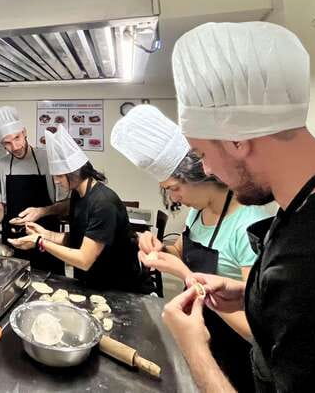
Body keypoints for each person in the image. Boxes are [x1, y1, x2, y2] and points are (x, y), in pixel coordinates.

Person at [161, 22, 315, 392]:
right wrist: (249, 292)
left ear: (237, 140)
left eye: (203, 153)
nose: (207, 169)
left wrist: (194, 348)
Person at [112, 104, 269, 392]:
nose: (174, 197)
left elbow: (256, 329)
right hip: (201, 333)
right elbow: (182, 250)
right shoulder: (198, 211)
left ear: (200, 176)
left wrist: (185, 274)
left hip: (237, 355)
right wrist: (160, 249)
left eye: (174, 187)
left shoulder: (249, 225)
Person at [10, 125, 150, 293]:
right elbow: (77, 240)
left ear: (75, 172)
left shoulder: (103, 203)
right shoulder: (79, 195)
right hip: (92, 281)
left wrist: (40, 242)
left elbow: (84, 259)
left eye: (60, 176)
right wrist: (44, 234)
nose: (56, 181)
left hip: (118, 287)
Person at [0, 106, 64, 272]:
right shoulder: (1, 165)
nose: (15, 146)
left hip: (47, 238)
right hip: (14, 240)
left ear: (24, 132)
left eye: (17, 138)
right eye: (7, 143)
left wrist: (42, 211)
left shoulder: (47, 159)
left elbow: (65, 204)